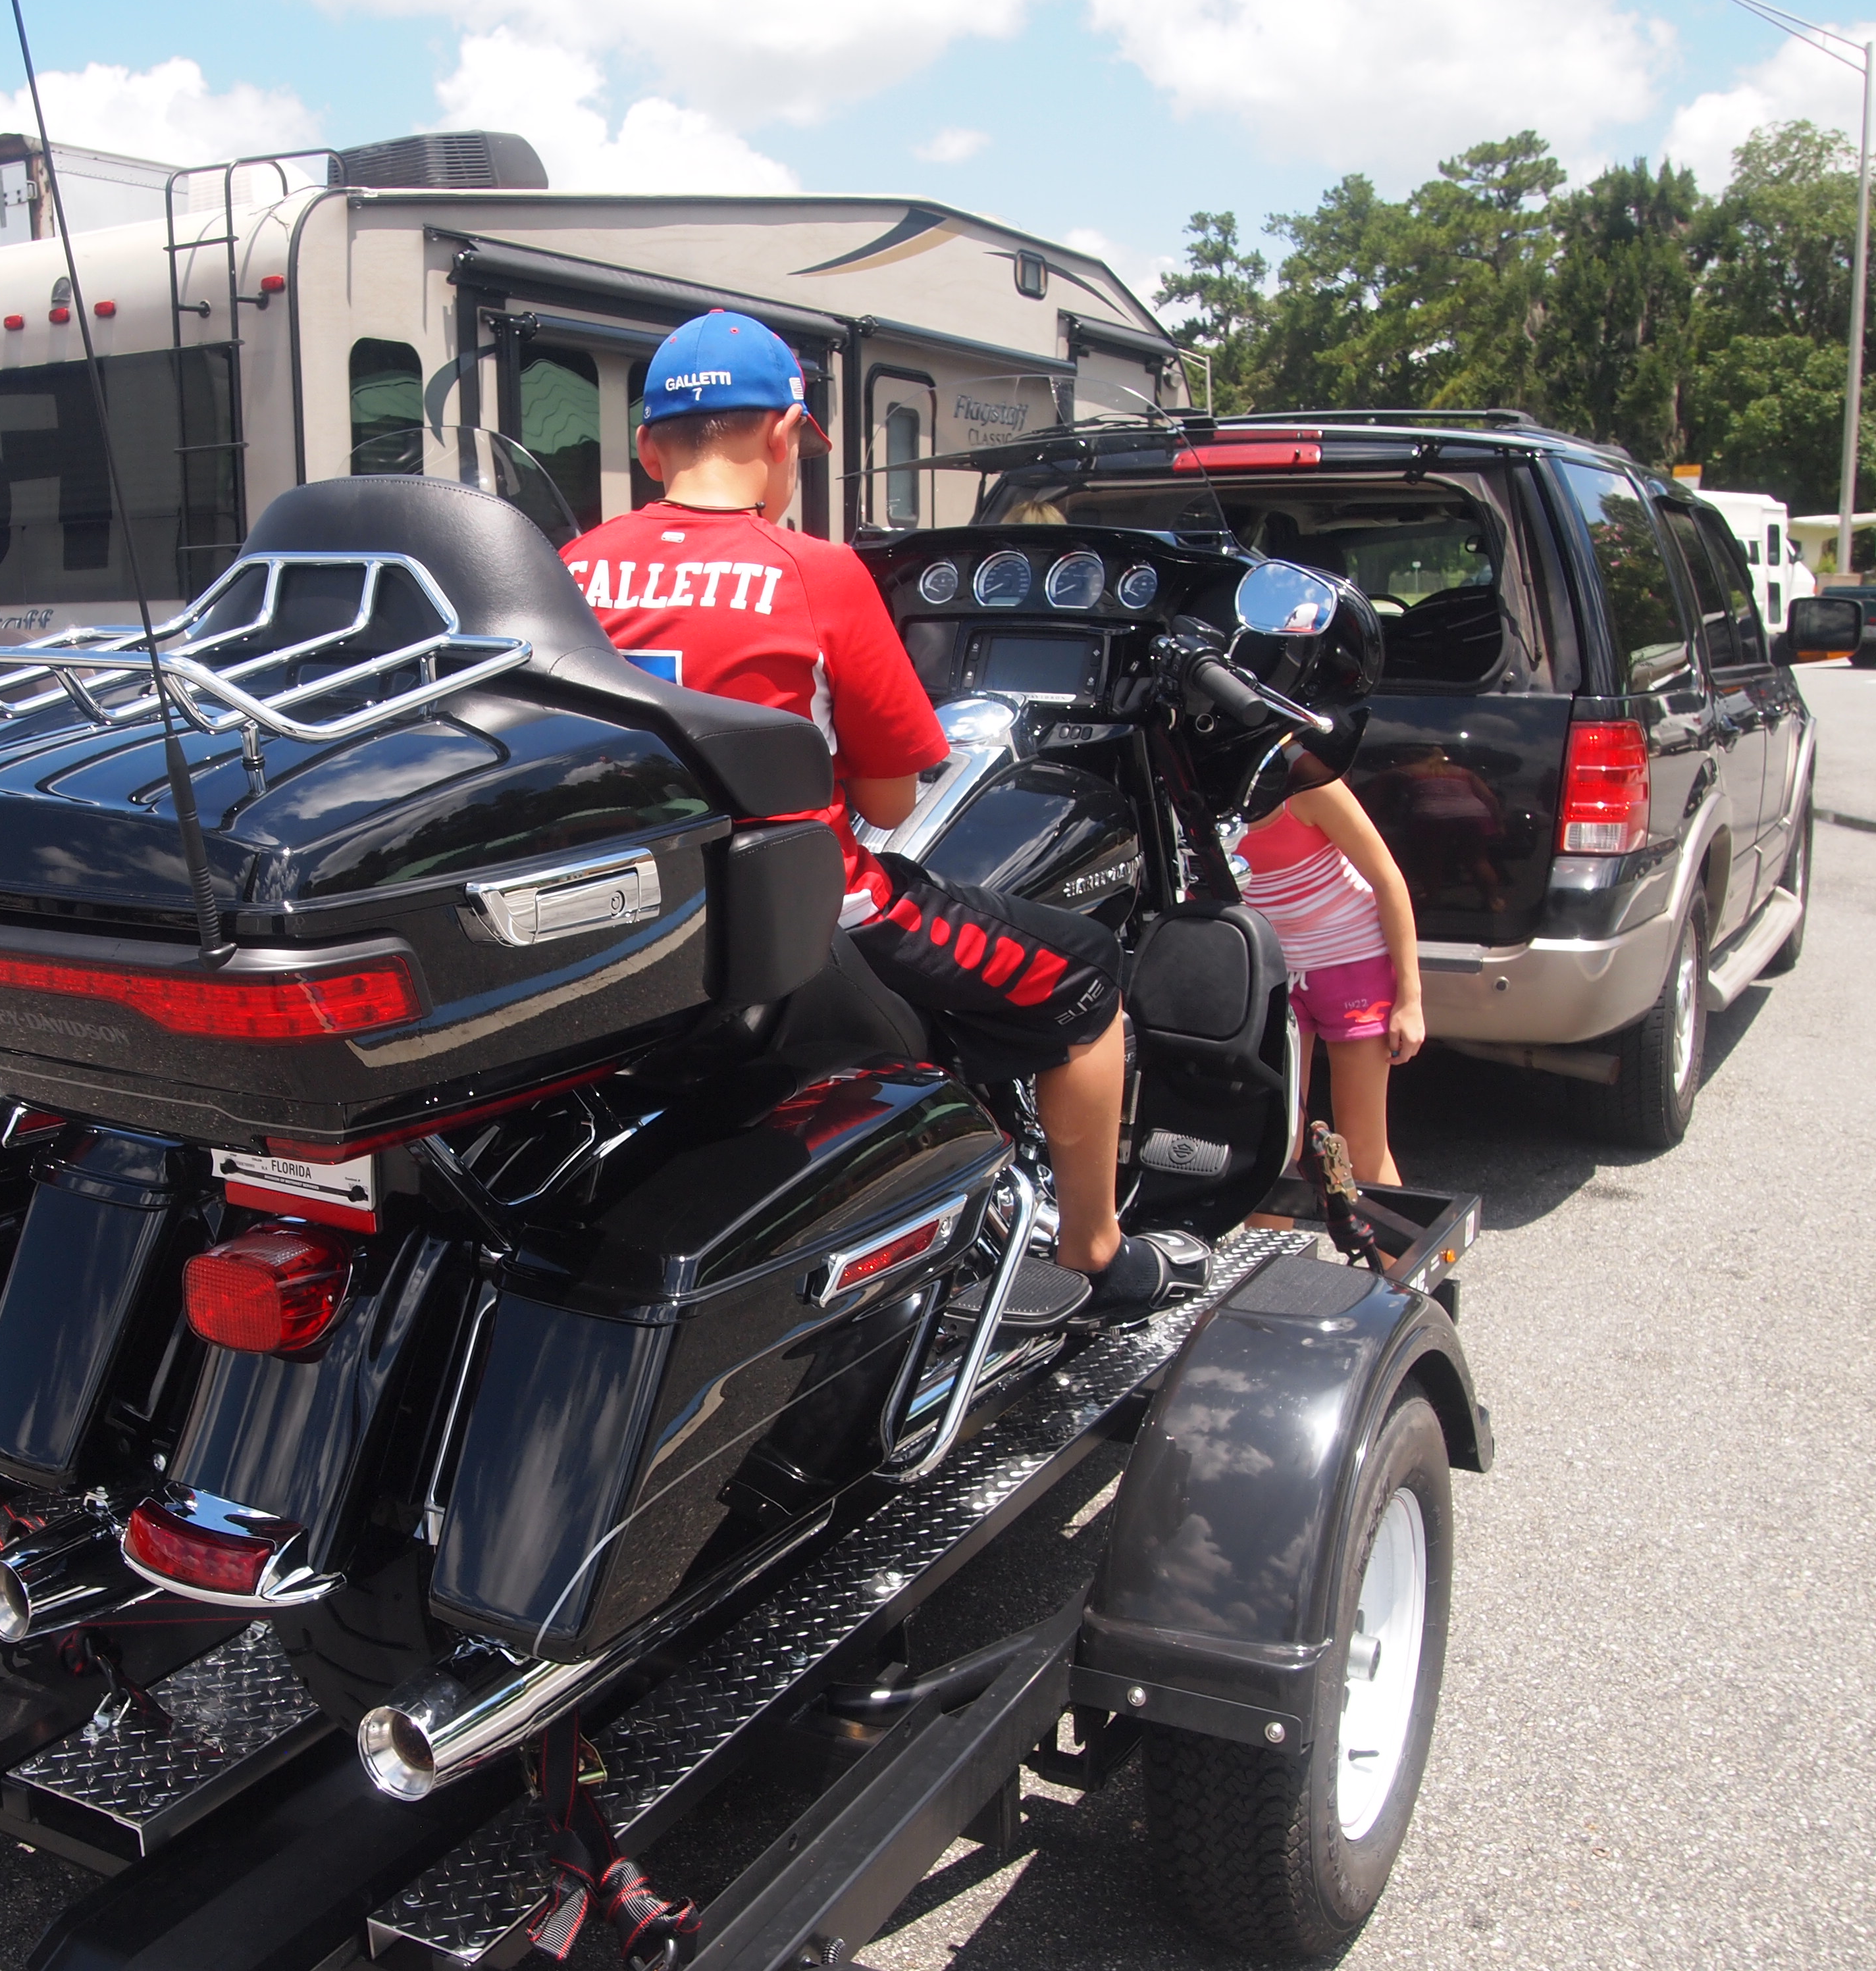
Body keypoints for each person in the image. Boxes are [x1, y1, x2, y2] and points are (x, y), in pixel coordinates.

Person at [559, 311, 1195, 1312]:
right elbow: (892, 799)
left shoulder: (572, 568)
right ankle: (1093, 1253)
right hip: (809, 915)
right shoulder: (815, 572)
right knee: (1085, 982)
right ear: (783, 435)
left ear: (648, 449)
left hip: (625, 913)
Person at [1236, 776, 1425, 1183]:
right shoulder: (1189, 792)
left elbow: (1387, 878)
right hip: (1274, 969)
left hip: (1353, 963)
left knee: (1363, 1146)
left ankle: (1385, 1231)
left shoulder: (1308, 783)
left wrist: (1411, 999)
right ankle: (1280, 1229)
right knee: (1276, 1145)